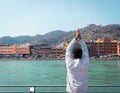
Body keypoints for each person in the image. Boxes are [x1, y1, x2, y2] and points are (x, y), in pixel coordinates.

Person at [65, 29, 89, 93]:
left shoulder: (69, 64)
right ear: (81, 56)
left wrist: (76, 38)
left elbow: (68, 50)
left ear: (73, 55)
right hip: (84, 90)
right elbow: (85, 50)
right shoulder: (85, 63)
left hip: (71, 90)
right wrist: (80, 39)